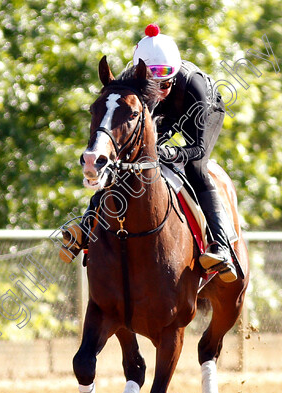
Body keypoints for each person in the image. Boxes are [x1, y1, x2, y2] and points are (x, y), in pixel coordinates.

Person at [74, 24, 237, 282]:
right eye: (153, 81)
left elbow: (199, 148)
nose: (161, 88)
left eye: (166, 80)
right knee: (123, 164)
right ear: (140, 74)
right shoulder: (132, 78)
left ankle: (222, 245)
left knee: (196, 169)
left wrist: (172, 152)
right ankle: (87, 223)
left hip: (199, 109)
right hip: (160, 115)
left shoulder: (194, 86)